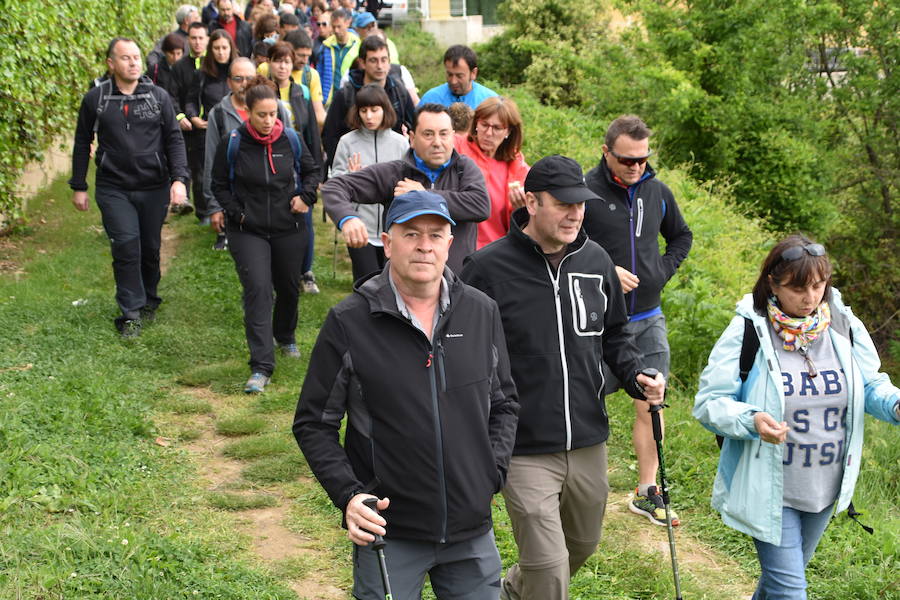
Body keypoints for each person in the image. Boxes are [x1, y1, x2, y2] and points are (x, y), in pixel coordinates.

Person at [294, 189, 519, 600]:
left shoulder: (481, 311)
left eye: (436, 235)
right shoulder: (349, 322)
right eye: (411, 234)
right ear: (387, 242)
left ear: (450, 244)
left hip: (471, 531)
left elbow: (504, 403)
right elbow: (313, 423)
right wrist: (349, 494)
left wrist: (492, 471)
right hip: (389, 529)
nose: (424, 246)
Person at [460, 155, 667, 600]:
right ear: (531, 202)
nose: (576, 213)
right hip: (523, 444)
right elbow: (464, 355)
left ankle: (511, 592)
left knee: (583, 545)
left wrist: (637, 375)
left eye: (582, 204)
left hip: (588, 438)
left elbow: (615, 337)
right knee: (550, 568)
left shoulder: (596, 261)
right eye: (564, 204)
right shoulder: (485, 269)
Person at [693, 234, 900, 600]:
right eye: (798, 288)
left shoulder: (843, 326)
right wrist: (753, 420)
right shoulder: (749, 329)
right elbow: (710, 402)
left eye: (819, 285)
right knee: (790, 591)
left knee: (779, 584)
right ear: (772, 284)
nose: (810, 298)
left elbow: (870, 385)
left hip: (824, 486)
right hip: (771, 487)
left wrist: (895, 404)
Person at [582, 114, 693, 527]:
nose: (636, 167)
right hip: (596, 321)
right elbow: (564, 246)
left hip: (648, 318)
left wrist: (662, 271)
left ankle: (648, 491)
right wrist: (604, 271)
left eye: (643, 159)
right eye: (627, 160)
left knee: (651, 400)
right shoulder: (585, 192)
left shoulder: (657, 191)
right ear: (606, 152)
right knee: (585, 400)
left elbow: (681, 236)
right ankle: (578, 483)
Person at [69, 38, 190, 337]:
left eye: (136, 57)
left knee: (149, 248)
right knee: (125, 245)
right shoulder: (95, 98)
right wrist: (79, 185)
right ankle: (130, 312)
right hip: (114, 187)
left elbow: (174, 139)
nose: (134, 63)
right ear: (111, 63)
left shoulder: (158, 97)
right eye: (126, 58)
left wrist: (179, 180)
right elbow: (82, 141)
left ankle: (150, 297)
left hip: (153, 186)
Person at [210, 77, 321, 393]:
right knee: (258, 290)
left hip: (289, 227)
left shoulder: (291, 140)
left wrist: (306, 197)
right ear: (247, 111)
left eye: (273, 113)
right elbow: (218, 183)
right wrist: (238, 212)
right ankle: (261, 366)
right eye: (262, 114)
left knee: (287, 287)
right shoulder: (232, 142)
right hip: (248, 231)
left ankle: (285, 335)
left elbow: (313, 172)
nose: (269, 120)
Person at [323, 104, 490, 274]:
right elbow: (335, 187)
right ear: (412, 138)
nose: (437, 142)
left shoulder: (464, 168)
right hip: (404, 285)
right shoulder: (396, 173)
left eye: (444, 134)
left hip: (456, 283)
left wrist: (424, 195)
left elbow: (481, 206)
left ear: (453, 136)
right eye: (428, 134)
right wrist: (348, 218)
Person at [205, 58, 294, 251]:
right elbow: (211, 161)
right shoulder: (219, 114)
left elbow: (291, 153)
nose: (244, 83)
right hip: (238, 199)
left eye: (249, 78)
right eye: (238, 78)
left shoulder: (277, 109)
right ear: (229, 82)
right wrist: (215, 206)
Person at [330, 84, 409, 281]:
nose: (369, 116)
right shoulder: (347, 142)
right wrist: (352, 178)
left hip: (393, 229)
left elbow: (409, 181)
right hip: (360, 227)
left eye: (374, 110)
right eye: (363, 110)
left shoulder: (401, 143)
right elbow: (335, 183)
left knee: (393, 282)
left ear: (385, 110)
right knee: (365, 283)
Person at [266, 41, 324, 294]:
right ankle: (278, 270)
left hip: (300, 161)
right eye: (278, 60)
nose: (282, 66)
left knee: (305, 217)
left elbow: (311, 130)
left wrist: (317, 169)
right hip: (271, 162)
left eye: (287, 61)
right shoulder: (264, 91)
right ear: (269, 62)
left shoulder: (301, 91)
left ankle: (306, 270)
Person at [322, 35, 415, 171]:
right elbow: (330, 135)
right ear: (362, 63)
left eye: (384, 60)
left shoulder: (399, 91)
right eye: (373, 60)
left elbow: (413, 125)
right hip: (354, 168)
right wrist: (343, 167)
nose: (380, 66)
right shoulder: (346, 94)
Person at [454, 96, 528, 249]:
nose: (488, 133)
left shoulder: (517, 165)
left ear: (508, 131)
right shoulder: (457, 147)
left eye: (497, 128)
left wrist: (519, 210)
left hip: (496, 252)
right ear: (476, 124)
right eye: (484, 125)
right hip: (457, 247)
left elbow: (527, 225)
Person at [171, 22, 211, 221]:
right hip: (187, 126)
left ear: (207, 39)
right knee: (190, 167)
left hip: (208, 126)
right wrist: (181, 117)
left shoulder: (212, 65)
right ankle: (189, 204)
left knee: (204, 169)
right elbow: (172, 95)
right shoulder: (179, 67)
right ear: (188, 40)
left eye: (201, 38)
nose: (197, 42)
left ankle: (207, 209)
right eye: (193, 38)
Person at [256, 29, 327, 128]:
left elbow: (318, 114)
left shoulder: (311, 75)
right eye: (301, 55)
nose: (305, 60)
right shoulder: (265, 69)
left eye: (308, 56)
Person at [419, 45, 497, 110]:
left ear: (473, 73)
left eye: (459, 76)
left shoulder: (490, 102)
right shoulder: (430, 99)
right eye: (449, 74)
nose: (453, 81)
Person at [316, 8, 360, 106]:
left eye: (339, 26)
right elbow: (319, 73)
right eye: (333, 27)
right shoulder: (325, 46)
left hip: (352, 99)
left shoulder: (358, 45)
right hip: (329, 100)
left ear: (347, 23)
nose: (336, 30)